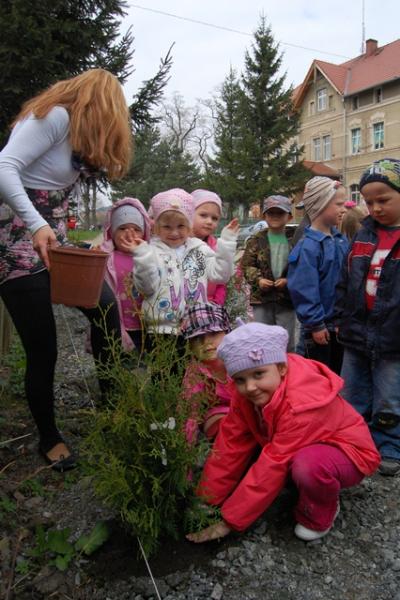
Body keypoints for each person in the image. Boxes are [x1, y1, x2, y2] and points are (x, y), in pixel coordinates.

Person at [0, 69, 132, 471]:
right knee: (44, 348)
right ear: (99, 105)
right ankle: (49, 437)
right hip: (14, 243)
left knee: (107, 309)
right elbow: (4, 167)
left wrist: (68, 230)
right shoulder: (54, 117)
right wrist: (38, 224)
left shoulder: (76, 140)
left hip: (52, 241)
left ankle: (112, 409)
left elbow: (51, 193)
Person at [186, 322, 380, 543]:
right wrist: (206, 498)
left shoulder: (299, 405)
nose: (249, 387)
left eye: (258, 374)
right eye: (240, 379)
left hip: (348, 452)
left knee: (307, 466)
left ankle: (321, 513)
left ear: (281, 368)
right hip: (302, 443)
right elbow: (230, 445)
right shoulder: (247, 397)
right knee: (265, 454)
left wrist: (230, 520)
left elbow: (275, 461)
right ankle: (300, 482)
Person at [335, 158, 400, 476]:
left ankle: (388, 444)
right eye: (369, 201)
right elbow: (346, 280)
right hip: (357, 329)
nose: (375, 207)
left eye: (384, 200)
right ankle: (353, 440)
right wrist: (340, 316)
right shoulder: (363, 236)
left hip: (393, 334)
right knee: (351, 390)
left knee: (389, 395)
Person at [126, 189, 238, 343]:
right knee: (165, 368)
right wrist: (142, 256)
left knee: (194, 368)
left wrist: (227, 243)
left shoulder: (200, 249)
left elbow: (221, 275)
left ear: (190, 225)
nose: (174, 232)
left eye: (180, 226)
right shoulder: (151, 252)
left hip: (197, 327)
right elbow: (146, 288)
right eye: (167, 227)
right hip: (161, 331)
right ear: (156, 226)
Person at [287, 177, 348, 373]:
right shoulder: (308, 246)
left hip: (339, 324)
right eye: (339, 204)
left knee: (338, 375)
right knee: (318, 376)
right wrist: (315, 324)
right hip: (319, 329)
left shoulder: (340, 240)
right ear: (320, 205)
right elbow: (304, 289)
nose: (344, 209)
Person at [241, 195, 296, 351]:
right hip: (261, 300)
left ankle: (287, 371)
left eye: (280, 213)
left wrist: (289, 280)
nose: (275, 217)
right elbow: (247, 266)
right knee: (262, 340)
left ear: (289, 217)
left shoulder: (297, 238)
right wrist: (258, 280)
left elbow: (301, 267)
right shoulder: (256, 240)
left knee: (286, 342)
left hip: (286, 299)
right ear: (263, 216)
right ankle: (264, 371)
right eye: (271, 213)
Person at [99, 198, 151, 353]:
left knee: (144, 366)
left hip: (144, 325)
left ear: (144, 232)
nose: (129, 234)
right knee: (122, 365)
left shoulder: (150, 256)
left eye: (136, 229)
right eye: (122, 228)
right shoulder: (106, 257)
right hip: (118, 326)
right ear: (112, 232)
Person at [181, 303, 232, 443]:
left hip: (250, 408)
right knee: (220, 424)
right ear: (189, 345)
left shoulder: (240, 357)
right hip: (220, 413)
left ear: (227, 332)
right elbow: (191, 413)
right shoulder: (196, 372)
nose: (206, 342)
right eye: (198, 338)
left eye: (214, 333)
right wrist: (186, 451)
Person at [191, 189, 226, 306]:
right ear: (189, 214)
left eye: (214, 218)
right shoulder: (179, 245)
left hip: (209, 306)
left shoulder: (216, 247)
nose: (209, 221)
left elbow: (222, 281)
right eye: (203, 215)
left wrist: (218, 301)